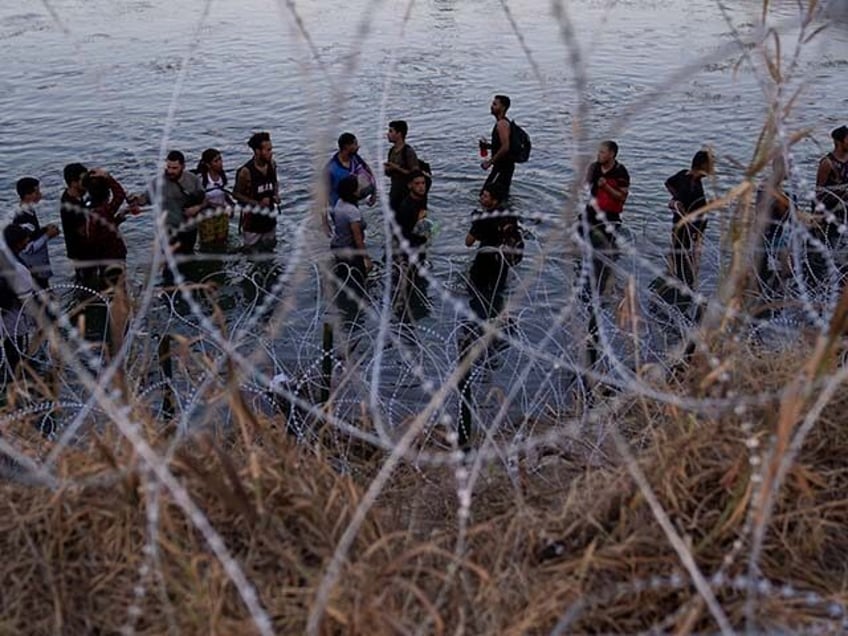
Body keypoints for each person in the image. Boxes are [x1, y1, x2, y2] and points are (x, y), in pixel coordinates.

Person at [128, 150, 207, 282]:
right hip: (168, 229)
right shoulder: (158, 183)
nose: (170, 171)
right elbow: (144, 200)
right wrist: (134, 199)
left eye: (174, 168)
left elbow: (205, 199)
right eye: (168, 167)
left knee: (187, 259)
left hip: (189, 229)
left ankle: (190, 285)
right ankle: (169, 290)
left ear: (183, 166)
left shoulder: (193, 180)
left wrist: (197, 208)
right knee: (170, 265)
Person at [580, 140, 630, 299]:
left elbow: (622, 197)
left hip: (610, 217)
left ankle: (605, 281)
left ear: (612, 154)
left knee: (607, 251)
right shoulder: (594, 168)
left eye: (602, 152)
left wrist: (606, 187)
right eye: (598, 152)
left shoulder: (621, 173)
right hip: (591, 213)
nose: (598, 155)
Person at [665, 149, 714, 297]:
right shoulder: (694, 185)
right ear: (704, 165)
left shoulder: (685, 175)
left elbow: (668, 183)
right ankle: (682, 287)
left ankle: (677, 281)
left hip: (684, 224)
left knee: (678, 252)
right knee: (683, 255)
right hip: (688, 226)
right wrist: (676, 202)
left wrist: (676, 199)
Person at [465, 185, 517, 322]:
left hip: (484, 262)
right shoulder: (509, 215)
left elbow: (468, 242)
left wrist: (476, 226)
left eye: (485, 196)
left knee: (475, 292)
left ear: (494, 201)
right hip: (501, 263)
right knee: (497, 293)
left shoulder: (483, 218)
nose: (481, 197)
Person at [329, 175, 372, 324]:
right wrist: (365, 258)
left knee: (343, 280)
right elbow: (357, 238)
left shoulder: (339, 203)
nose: (361, 188)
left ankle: (343, 307)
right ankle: (356, 312)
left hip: (337, 246)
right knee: (357, 282)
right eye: (358, 187)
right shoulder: (352, 212)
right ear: (353, 192)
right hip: (350, 251)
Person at [0, 224, 37, 380]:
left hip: (3, 319)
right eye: (25, 238)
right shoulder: (18, 268)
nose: (28, 241)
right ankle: (15, 387)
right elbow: (26, 301)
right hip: (14, 320)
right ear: (18, 243)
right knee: (15, 358)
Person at [233, 131, 280, 251]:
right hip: (252, 223)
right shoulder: (245, 172)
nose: (271, 153)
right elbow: (236, 195)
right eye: (268, 150)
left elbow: (275, 182)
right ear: (258, 151)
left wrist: (275, 195)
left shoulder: (272, 165)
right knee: (252, 254)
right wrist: (257, 203)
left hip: (270, 220)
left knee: (270, 250)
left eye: (271, 149)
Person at [392, 171, 430, 317]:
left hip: (419, 247)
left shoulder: (421, 199)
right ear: (410, 186)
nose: (421, 187)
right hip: (409, 250)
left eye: (423, 183)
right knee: (409, 284)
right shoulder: (406, 207)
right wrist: (421, 223)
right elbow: (405, 234)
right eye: (417, 184)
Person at [754, 155, 791, 303]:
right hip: (769, 235)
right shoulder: (769, 188)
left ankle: (771, 298)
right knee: (776, 271)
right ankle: (769, 300)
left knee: (783, 270)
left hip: (775, 233)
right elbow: (768, 211)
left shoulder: (775, 187)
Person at [83, 169, 128, 289]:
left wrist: (116, 220)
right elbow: (119, 195)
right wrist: (108, 177)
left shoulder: (90, 209)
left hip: (102, 258)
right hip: (113, 255)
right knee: (117, 288)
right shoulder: (104, 210)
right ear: (107, 193)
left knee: (108, 286)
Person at [13, 177, 60, 289]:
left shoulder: (29, 211)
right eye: (36, 192)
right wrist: (48, 236)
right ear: (27, 195)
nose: (40, 194)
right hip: (34, 268)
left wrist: (44, 230)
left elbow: (32, 234)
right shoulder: (22, 218)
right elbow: (28, 248)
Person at [195, 148, 234, 252]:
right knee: (208, 244)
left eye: (220, 159)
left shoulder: (221, 176)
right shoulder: (201, 179)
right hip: (206, 217)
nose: (220, 163)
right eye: (216, 161)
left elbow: (224, 193)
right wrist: (214, 205)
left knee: (222, 241)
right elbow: (199, 200)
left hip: (221, 214)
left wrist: (231, 205)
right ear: (208, 164)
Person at [326, 132, 377, 209]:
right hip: (338, 208)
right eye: (355, 144)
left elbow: (368, 171)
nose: (358, 146)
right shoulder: (331, 169)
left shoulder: (355, 158)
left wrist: (373, 194)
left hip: (352, 204)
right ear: (347, 146)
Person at [479, 95, 516, 199]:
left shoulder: (502, 124)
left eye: (495, 104)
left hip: (502, 168)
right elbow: (502, 145)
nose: (491, 106)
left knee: (486, 195)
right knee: (499, 196)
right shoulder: (503, 123)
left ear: (503, 107)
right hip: (503, 167)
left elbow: (505, 147)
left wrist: (489, 162)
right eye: (492, 104)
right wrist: (488, 146)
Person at [60, 162, 91, 281]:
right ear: (73, 183)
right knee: (87, 282)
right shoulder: (71, 206)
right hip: (82, 253)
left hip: (78, 252)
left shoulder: (74, 196)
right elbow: (84, 231)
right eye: (84, 179)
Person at [384, 120, 419, 213]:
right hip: (394, 191)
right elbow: (389, 173)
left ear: (399, 134)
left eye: (391, 131)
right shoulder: (391, 151)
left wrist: (396, 168)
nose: (388, 134)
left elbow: (416, 175)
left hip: (407, 193)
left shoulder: (408, 152)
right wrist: (388, 170)